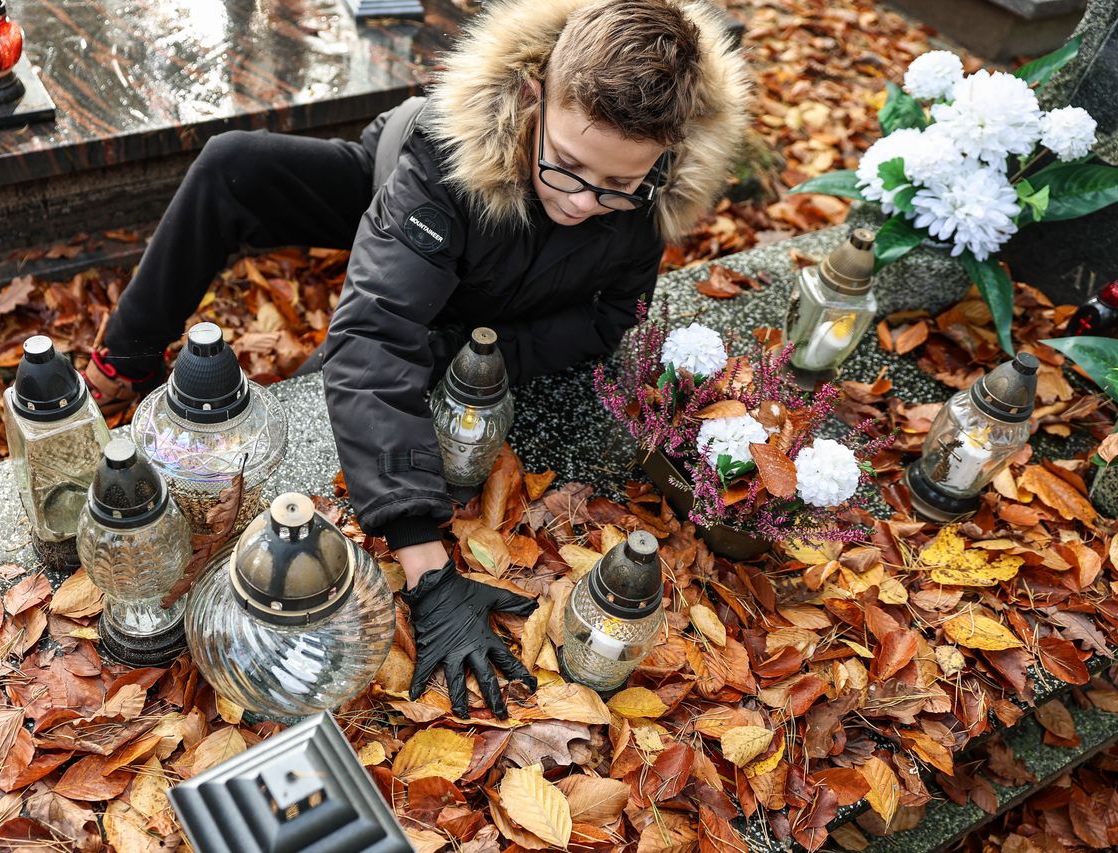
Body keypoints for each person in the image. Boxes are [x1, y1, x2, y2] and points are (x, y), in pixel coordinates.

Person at [86, 0, 750, 719]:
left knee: (326, 380)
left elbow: (611, 319)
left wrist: (477, 356)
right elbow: (372, 341)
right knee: (232, 167)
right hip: (411, 182)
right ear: (535, 95)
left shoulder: (647, 195)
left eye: (618, 185)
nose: (586, 202)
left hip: (489, 288)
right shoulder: (445, 154)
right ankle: (122, 361)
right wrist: (427, 566)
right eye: (570, 168)